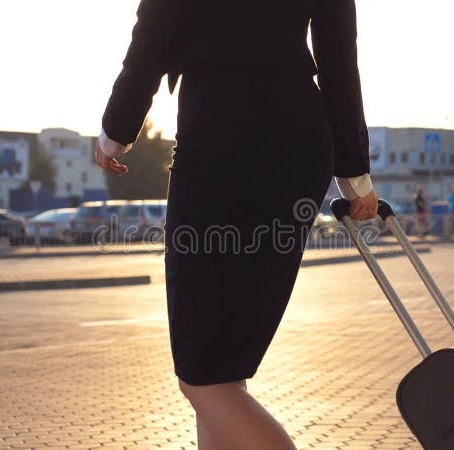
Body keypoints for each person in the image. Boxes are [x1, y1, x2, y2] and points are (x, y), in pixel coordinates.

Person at [94, 1, 378, 448]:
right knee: (222, 371)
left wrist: (117, 130)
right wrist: (355, 178)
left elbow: (154, 34)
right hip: (299, 143)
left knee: (204, 378)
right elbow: (339, 58)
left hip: (219, 137)